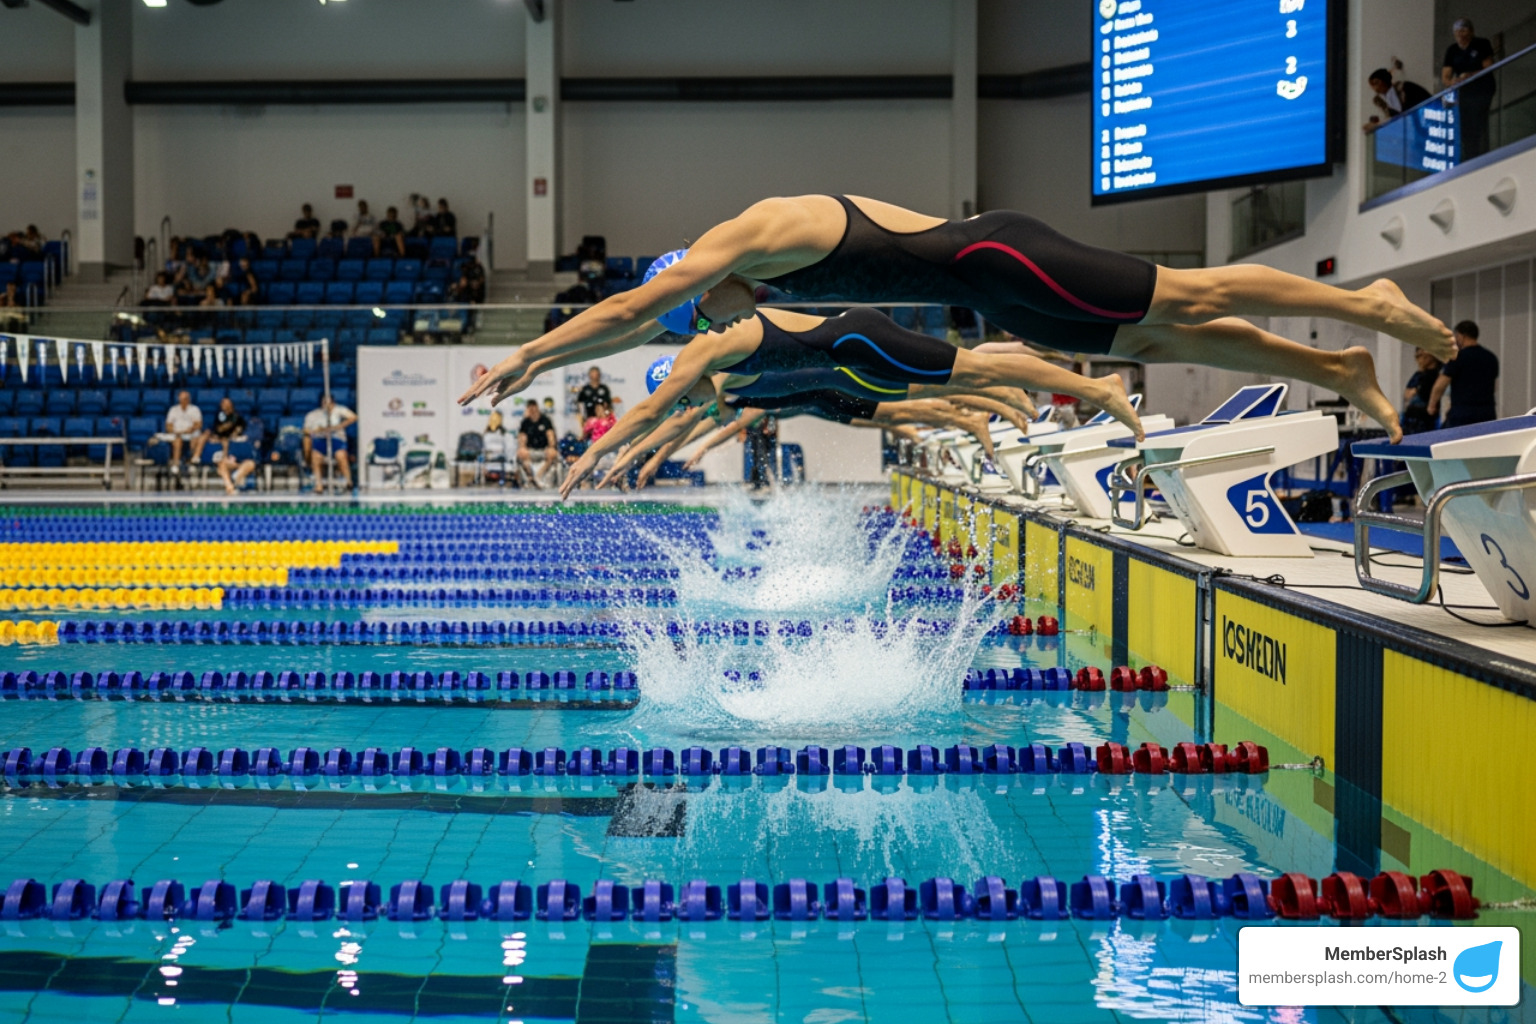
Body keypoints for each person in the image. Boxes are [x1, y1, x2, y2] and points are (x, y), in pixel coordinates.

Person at [462, 195, 1454, 443]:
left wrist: (532, 345)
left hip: (999, 256)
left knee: (1187, 298)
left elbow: (638, 309)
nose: (709, 325)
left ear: (697, 278)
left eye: (696, 313)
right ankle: (1340, 368)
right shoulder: (737, 284)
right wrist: (540, 364)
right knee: (1160, 338)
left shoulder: (751, 233)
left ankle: (1360, 301)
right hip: (991, 294)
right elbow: (637, 328)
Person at [557, 303, 1138, 498]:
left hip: (862, 343)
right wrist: (639, 455)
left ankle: (1093, 386)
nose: (675, 399)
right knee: (960, 383)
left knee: (971, 371)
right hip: (853, 366)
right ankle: (1007, 401)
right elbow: (666, 423)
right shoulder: (713, 380)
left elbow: (650, 416)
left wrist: (602, 455)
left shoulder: (707, 356)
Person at [1442, 18, 1497, 159]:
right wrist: (1453, 81)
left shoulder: (1481, 44)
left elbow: (1489, 66)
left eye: (1463, 30)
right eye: (1457, 31)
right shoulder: (1452, 50)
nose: (1460, 34)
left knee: (1478, 121)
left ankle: (1481, 153)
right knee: (1465, 124)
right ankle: (1470, 155)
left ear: (1471, 31)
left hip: (1482, 89)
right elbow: (1446, 76)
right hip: (1464, 93)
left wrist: (1470, 75)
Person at [1428, 320, 1499, 427]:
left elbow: (1441, 384)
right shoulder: (1491, 358)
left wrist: (1432, 405)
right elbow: (1494, 386)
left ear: (1461, 336)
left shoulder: (1457, 357)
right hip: (1487, 412)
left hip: (1463, 412)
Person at [303, 395, 358, 489]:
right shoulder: (313, 415)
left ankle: (349, 482)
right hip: (320, 440)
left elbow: (354, 417)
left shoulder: (339, 410)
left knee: (341, 455)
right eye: (324, 402)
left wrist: (338, 427)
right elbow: (306, 431)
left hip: (336, 440)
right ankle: (318, 484)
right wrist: (316, 431)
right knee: (316, 456)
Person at [1365, 60, 1432, 131]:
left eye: (1376, 83)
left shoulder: (1406, 88)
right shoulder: (1384, 101)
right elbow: (1394, 119)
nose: (1374, 88)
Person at [516, 399, 558, 488]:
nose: (532, 410)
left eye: (534, 408)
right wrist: (522, 447)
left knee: (552, 453)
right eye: (530, 408)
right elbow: (522, 438)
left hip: (543, 450)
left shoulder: (545, 420)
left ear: (537, 408)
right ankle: (531, 476)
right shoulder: (525, 422)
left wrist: (551, 447)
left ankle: (538, 476)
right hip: (531, 450)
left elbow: (550, 435)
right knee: (521, 453)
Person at [192, 396, 245, 464]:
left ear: (230, 405)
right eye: (222, 403)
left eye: (224, 403)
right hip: (219, 435)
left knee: (225, 441)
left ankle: (224, 459)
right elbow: (218, 428)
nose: (222, 404)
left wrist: (226, 432)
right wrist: (215, 435)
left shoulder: (236, 415)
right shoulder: (220, 414)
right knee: (205, 434)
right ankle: (196, 457)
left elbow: (236, 428)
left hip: (228, 437)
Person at [1401, 348, 1442, 434]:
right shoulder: (1420, 374)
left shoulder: (1439, 373)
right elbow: (1407, 394)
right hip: (1413, 417)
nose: (1420, 359)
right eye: (1417, 356)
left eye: (1422, 356)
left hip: (1427, 420)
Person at [160, 391, 203, 472]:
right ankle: (176, 464)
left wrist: (190, 429)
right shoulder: (173, 409)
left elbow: (198, 424)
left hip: (190, 433)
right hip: (177, 433)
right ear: (179, 399)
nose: (184, 400)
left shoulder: (195, 409)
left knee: (197, 437)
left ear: (189, 399)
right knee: (178, 440)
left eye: (186, 398)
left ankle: (192, 462)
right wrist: (174, 431)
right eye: (182, 399)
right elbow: (168, 425)